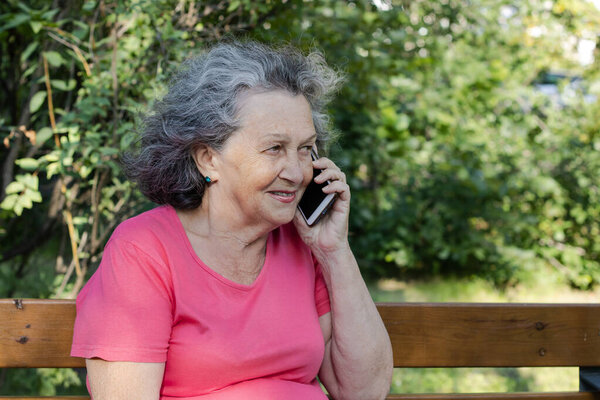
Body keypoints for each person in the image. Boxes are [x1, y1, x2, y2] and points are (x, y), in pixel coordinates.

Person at [71, 40, 393, 400]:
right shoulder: (143, 251)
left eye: (305, 149)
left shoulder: (304, 245)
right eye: (275, 148)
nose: (296, 172)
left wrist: (334, 252)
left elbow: (365, 392)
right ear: (208, 158)